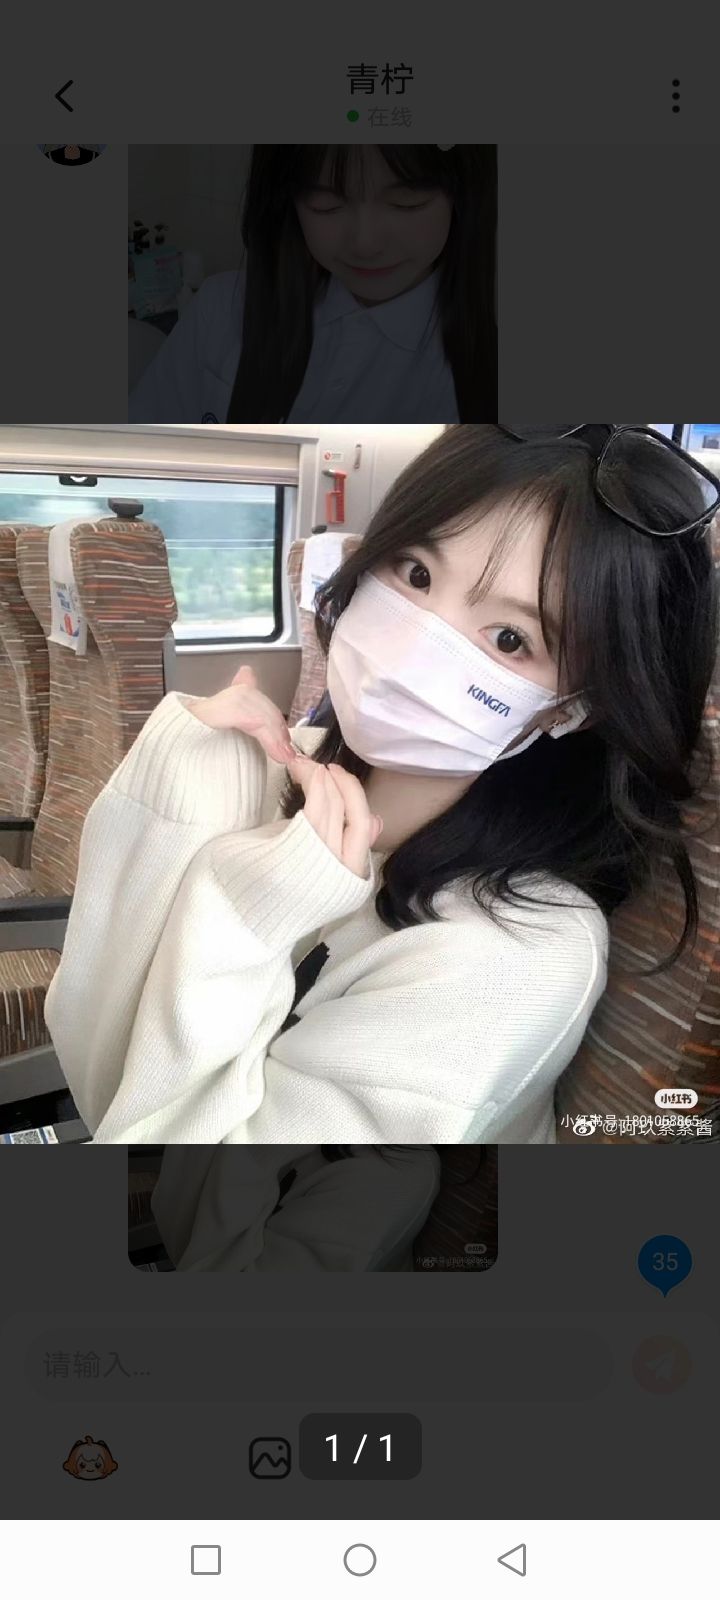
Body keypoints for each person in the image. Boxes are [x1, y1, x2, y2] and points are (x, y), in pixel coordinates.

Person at [43, 425, 720, 1145]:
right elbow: (95, 1061)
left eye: (510, 639)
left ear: (569, 709)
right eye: (416, 574)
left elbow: (206, 1200)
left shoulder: (514, 956)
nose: (413, 643)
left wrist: (243, 913)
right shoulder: (272, 762)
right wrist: (179, 778)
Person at [128, 144, 496, 424]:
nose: (365, 243)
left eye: (407, 203)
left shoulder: (486, 361)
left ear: (462, 196)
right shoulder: (222, 308)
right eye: (326, 205)